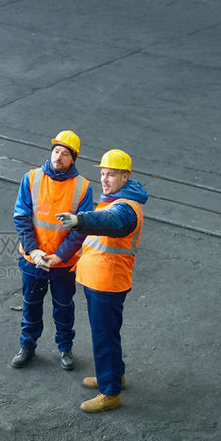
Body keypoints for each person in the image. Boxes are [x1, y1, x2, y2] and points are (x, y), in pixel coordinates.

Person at [55, 149, 147, 412]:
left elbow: (109, 221)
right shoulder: (115, 198)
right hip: (100, 280)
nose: (105, 179)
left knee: (104, 336)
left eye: (111, 174)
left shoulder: (125, 209)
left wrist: (79, 220)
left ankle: (110, 393)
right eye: (103, 174)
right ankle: (114, 376)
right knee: (108, 334)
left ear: (125, 177)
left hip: (108, 283)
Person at [11, 130, 94, 371]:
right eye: (56, 151)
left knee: (64, 308)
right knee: (31, 305)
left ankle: (65, 348)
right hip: (33, 261)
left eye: (65, 153)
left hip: (62, 264)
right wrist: (33, 250)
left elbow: (81, 228)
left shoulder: (82, 187)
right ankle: (27, 346)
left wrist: (59, 256)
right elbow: (21, 216)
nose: (59, 156)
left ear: (73, 159)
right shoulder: (32, 178)